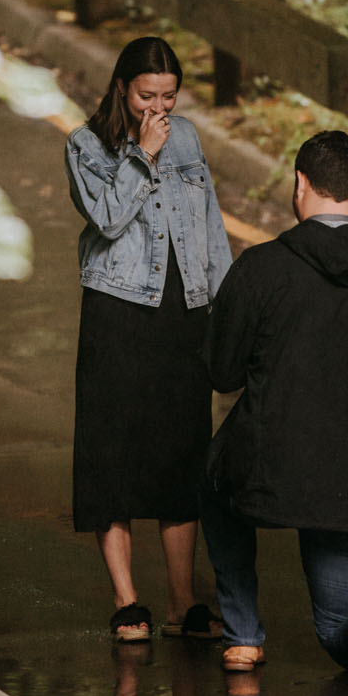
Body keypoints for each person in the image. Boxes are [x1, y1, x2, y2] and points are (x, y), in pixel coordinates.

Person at [200, 129, 348, 685]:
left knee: (212, 475)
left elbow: (222, 372)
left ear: (300, 184)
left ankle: (242, 635)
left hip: (270, 466)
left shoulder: (261, 268)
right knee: (338, 631)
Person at [65, 36, 234, 642]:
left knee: (181, 456)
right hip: (118, 311)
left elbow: (211, 224)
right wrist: (140, 154)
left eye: (168, 97)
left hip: (182, 312)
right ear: (121, 88)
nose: (157, 108)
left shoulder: (185, 137)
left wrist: (226, 305)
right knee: (111, 453)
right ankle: (127, 599)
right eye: (145, 96)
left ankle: (183, 603)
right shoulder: (86, 145)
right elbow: (108, 218)